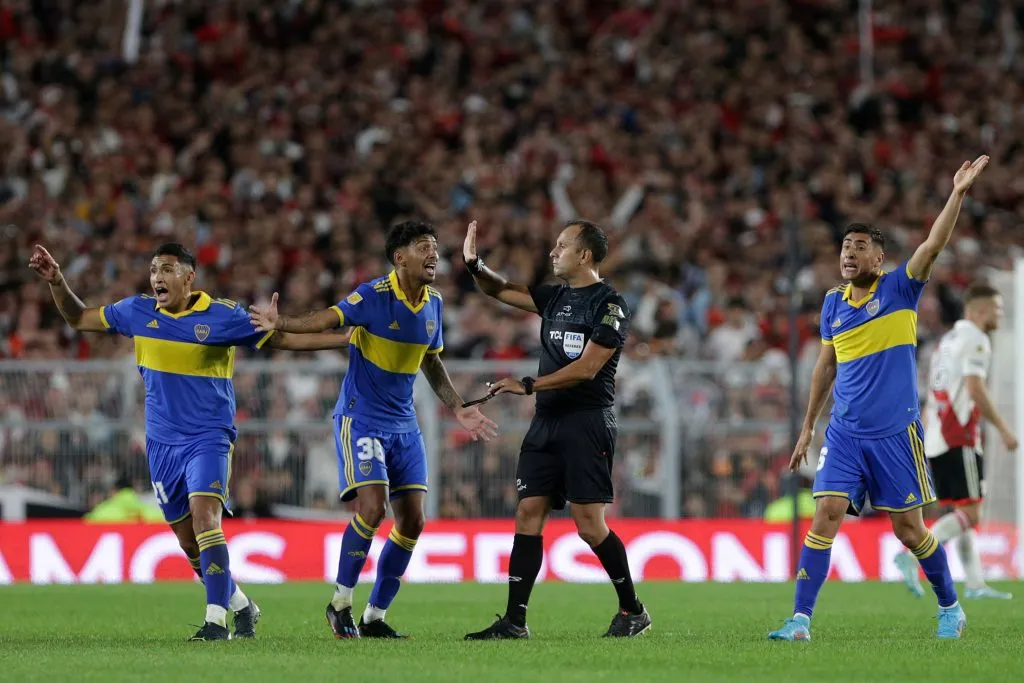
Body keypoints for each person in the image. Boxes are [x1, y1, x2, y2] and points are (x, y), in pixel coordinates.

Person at [30, 242, 350, 641]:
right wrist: (57, 280)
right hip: (162, 443)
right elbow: (78, 317)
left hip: (209, 436)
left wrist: (346, 341)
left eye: (166, 269)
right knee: (188, 541)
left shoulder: (222, 315)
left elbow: (284, 340)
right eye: (153, 270)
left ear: (188, 277)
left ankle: (215, 621)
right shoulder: (136, 311)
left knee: (205, 518)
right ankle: (241, 605)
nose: (157, 278)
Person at [768, 156, 989, 642]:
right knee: (825, 513)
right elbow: (826, 366)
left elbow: (933, 244)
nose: (849, 253)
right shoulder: (831, 303)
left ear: (878, 258)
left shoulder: (900, 288)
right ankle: (800, 620)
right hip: (845, 432)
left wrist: (958, 194)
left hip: (895, 432)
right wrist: (808, 425)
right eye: (846, 246)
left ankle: (950, 606)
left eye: (860, 247)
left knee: (909, 532)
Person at [248, 220, 497, 639]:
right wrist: (283, 323)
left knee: (414, 520)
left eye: (435, 247)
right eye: (423, 247)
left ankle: (375, 615)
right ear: (400, 258)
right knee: (373, 507)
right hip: (360, 418)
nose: (434, 254)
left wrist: (458, 406)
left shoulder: (434, 303)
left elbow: (430, 360)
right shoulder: (372, 295)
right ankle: (340, 602)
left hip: (405, 424)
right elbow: (328, 319)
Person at [460, 219, 651, 640]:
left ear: (584, 255)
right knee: (528, 512)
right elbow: (498, 289)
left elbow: (588, 368)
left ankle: (632, 610)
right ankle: (514, 621)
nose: (553, 252)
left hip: (587, 422)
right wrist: (475, 265)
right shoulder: (555, 298)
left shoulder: (610, 304)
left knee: (588, 524)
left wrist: (527, 384)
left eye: (561, 246)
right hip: (546, 422)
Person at [894, 283, 1016, 600]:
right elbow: (974, 388)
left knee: (960, 510)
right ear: (978, 311)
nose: (1000, 315)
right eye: (996, 309)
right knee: (972, 514)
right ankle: (910, 556)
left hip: (938, 432)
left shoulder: (947, 340)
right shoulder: (977, 340)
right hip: (958, 434)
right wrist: (1003, 428)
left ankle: (974, 583)